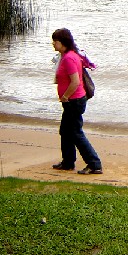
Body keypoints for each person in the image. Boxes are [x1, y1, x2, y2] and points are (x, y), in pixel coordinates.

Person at [51, 28, 103, 175]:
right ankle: (68, 162)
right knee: (65, 131)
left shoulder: (69, 58)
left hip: (74, 101)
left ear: (63, 42)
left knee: (75, 132)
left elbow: (75, 82)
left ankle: (94, 164)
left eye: (55, 41)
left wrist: (65, 96)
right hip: (72, 101)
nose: (53, 44)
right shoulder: (66, 56)